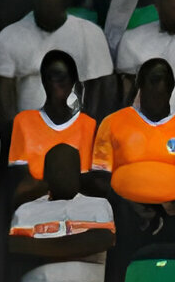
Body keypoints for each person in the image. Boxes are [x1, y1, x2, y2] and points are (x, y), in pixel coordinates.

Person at [91, 57, 175, 282]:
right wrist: (135, 206)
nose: (159, 87)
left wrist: (170, 204)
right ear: (140, 84)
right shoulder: (113, 123)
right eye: (153, 80)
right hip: (127, 211)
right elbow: (100, 178)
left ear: (171, 87)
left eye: (164, 81)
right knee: (115, 219)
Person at [5, 145, 120, 282]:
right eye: (56, 170)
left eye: (69, 169)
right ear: (46, 175)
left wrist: (40, 248)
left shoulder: (98, 205)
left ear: (78, 174)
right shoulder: (26, 210)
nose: (63, 175)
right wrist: (76, 246)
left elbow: (101, 240)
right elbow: (16, 246)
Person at [0, 0, 118, 121]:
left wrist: (90, 131)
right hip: (28, 133)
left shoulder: (90, 34)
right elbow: (2, 101)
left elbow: (105, 88)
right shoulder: (9, 37)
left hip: (79, 132)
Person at [6, 51, 103, 205]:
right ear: (43, 81)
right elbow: (19, 178)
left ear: (73, 81)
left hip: (78, 205)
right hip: (34, 203)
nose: (56, 83)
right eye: (50, 77)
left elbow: (88, 180)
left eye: (62, 77)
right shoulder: (24, 121)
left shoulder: (88, 125)